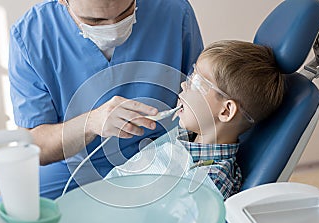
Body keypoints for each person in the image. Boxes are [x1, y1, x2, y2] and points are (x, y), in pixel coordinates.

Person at [0, 0, 203, 223]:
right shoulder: (33, 34)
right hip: (67, 167)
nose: (114, 28)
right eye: (96, 22)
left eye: (125, 14)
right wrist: (91, 122)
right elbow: (35, 147)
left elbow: (200, 97)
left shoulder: (174, 12)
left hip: (153, 165)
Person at [106, 40, 285, 200]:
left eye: (198, 83)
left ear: (226, 110)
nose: (185, 84)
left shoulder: (211, 181)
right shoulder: (184, 138)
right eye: (192, 75)